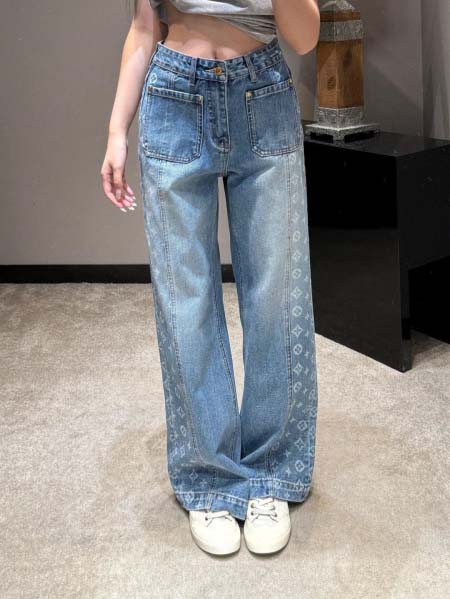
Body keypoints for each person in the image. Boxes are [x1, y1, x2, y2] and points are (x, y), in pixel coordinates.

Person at [101, 0, 320, 556]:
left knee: (276, 296)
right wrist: (116, 130)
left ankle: (271, 473)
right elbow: (143, 27)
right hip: (174, 96)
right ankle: (209, 476)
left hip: (263, 93)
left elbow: (305, 37)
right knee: (186, 300)